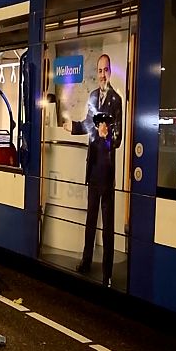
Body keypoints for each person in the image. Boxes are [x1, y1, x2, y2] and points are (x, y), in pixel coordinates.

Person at [64, 54, 123, 287]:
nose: (102, 74)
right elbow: (89, 124)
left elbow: (118, 139)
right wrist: (74, 127)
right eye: (99, 70)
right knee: (90, 220)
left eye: (106, 70)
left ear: (111, 72)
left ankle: (107, 272)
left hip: (107, 171)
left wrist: (108, 137)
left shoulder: (116, 100)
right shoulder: (92, 97)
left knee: (107, 225)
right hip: (94, 167)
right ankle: (86, 261)